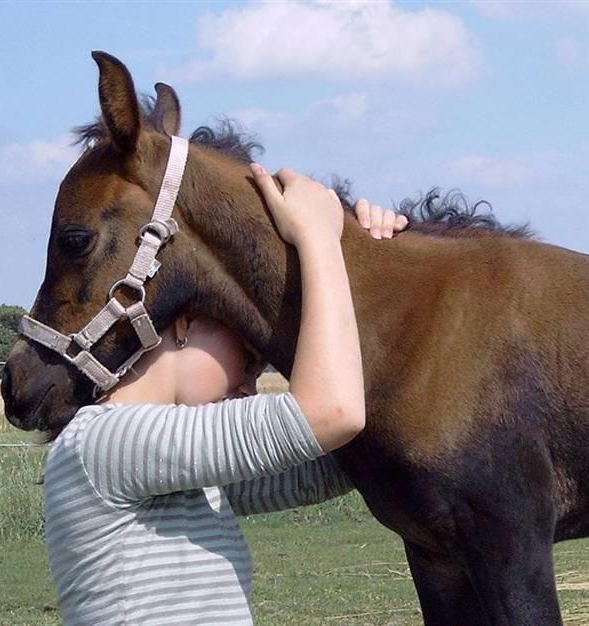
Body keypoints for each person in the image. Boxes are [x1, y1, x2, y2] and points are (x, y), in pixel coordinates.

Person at [44, 165, 409, 625]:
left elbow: (342, 460)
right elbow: (332, 414)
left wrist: (372, 262)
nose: (248, 387)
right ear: (185, 322)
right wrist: (319, 238)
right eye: (249, 359)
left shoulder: (184, 472)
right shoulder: (103, 442)